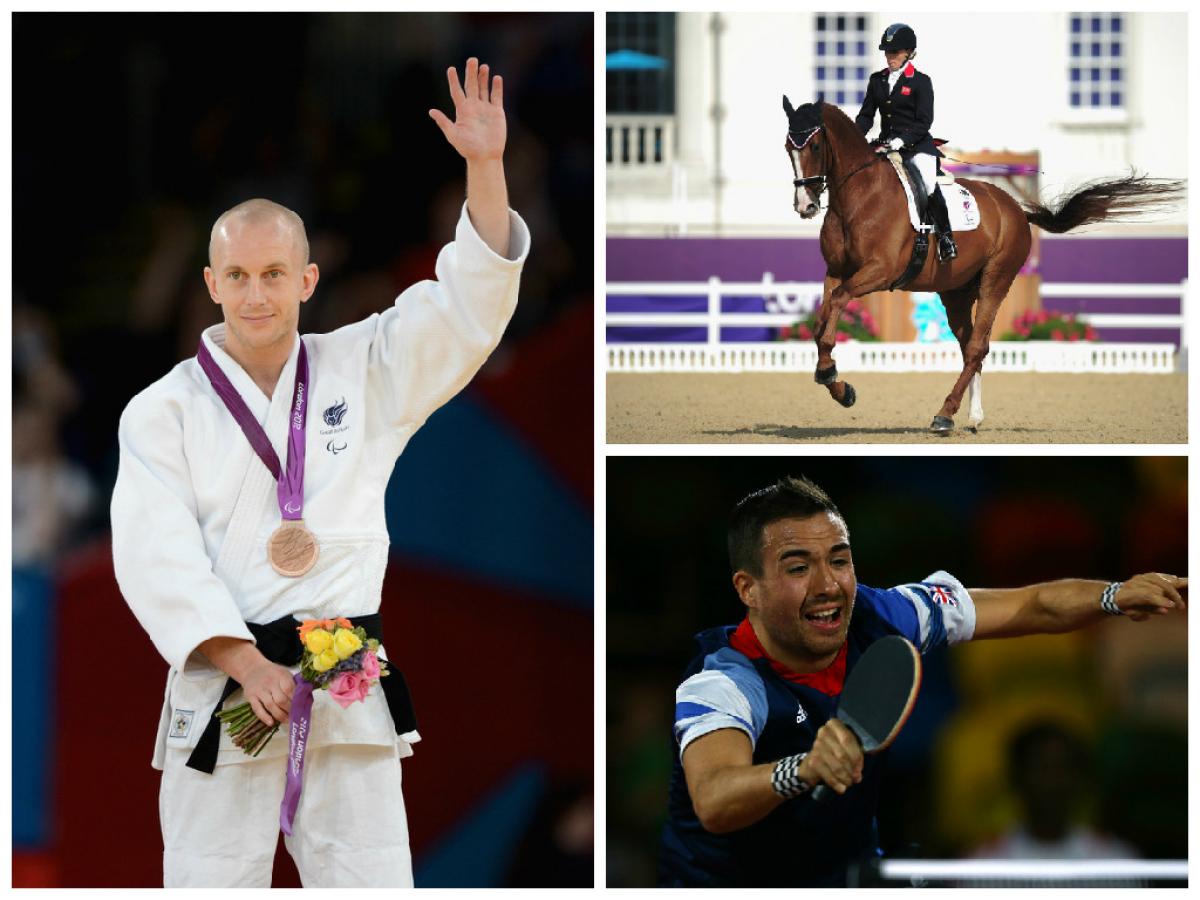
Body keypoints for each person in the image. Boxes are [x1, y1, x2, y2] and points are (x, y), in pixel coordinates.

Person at [110, 58, 529, 888]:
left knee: (371, 881)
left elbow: (465, 310)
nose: (256, 294)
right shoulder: (161, 411)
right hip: (226, 676)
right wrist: (242, 660)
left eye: (273, 274)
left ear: (307, 278)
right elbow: (153, 557)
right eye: (237, 276)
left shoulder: (360, 368)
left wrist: (485, 167)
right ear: (210, 283)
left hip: (343, 671)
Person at [658, 476, 1186, 887]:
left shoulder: (887, 614)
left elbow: (1032, 604)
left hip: (845, 879)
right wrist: (802, 768)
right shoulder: (725, 678)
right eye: (798, 568)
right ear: (748, 588)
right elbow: (714, 798)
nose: (828, 586)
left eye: (839, 560)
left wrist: (1115, 595)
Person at [854, 22, 958, 263]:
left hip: (916, 147)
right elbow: (866, 115)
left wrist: (901, 140)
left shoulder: (921, 81)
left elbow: (924, 121)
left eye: (895, 53)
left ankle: (945, 237)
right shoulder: (877, 80)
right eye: (888, 52)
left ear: (909, 53)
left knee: (928, 185)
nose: (890, 57)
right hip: (885, 146)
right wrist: (855, 136)